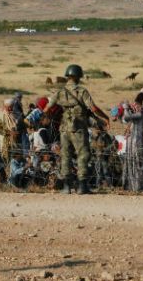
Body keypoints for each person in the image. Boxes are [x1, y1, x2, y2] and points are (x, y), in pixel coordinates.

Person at [44, 64, 110, 195]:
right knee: (83, 155)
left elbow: (46, 109)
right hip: (78, 128)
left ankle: (66, 187)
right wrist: (105, 117)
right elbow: (93, 108)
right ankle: (82, 186)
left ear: (67, 76)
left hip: (64, 129)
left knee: (66, 156)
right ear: (78, 76)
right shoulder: (81, 91)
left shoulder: (60, 92)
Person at [121, 92, 143, 192]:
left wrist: (125, 108)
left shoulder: (140, 114)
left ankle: (137, 186)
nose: (135, 106)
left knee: (136, 164)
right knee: (132, 164)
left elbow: (127, 117)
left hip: (137, 143)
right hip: (134, 141)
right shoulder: (139, 114)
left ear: (140, 105)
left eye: (136, 105)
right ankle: (132, 186)